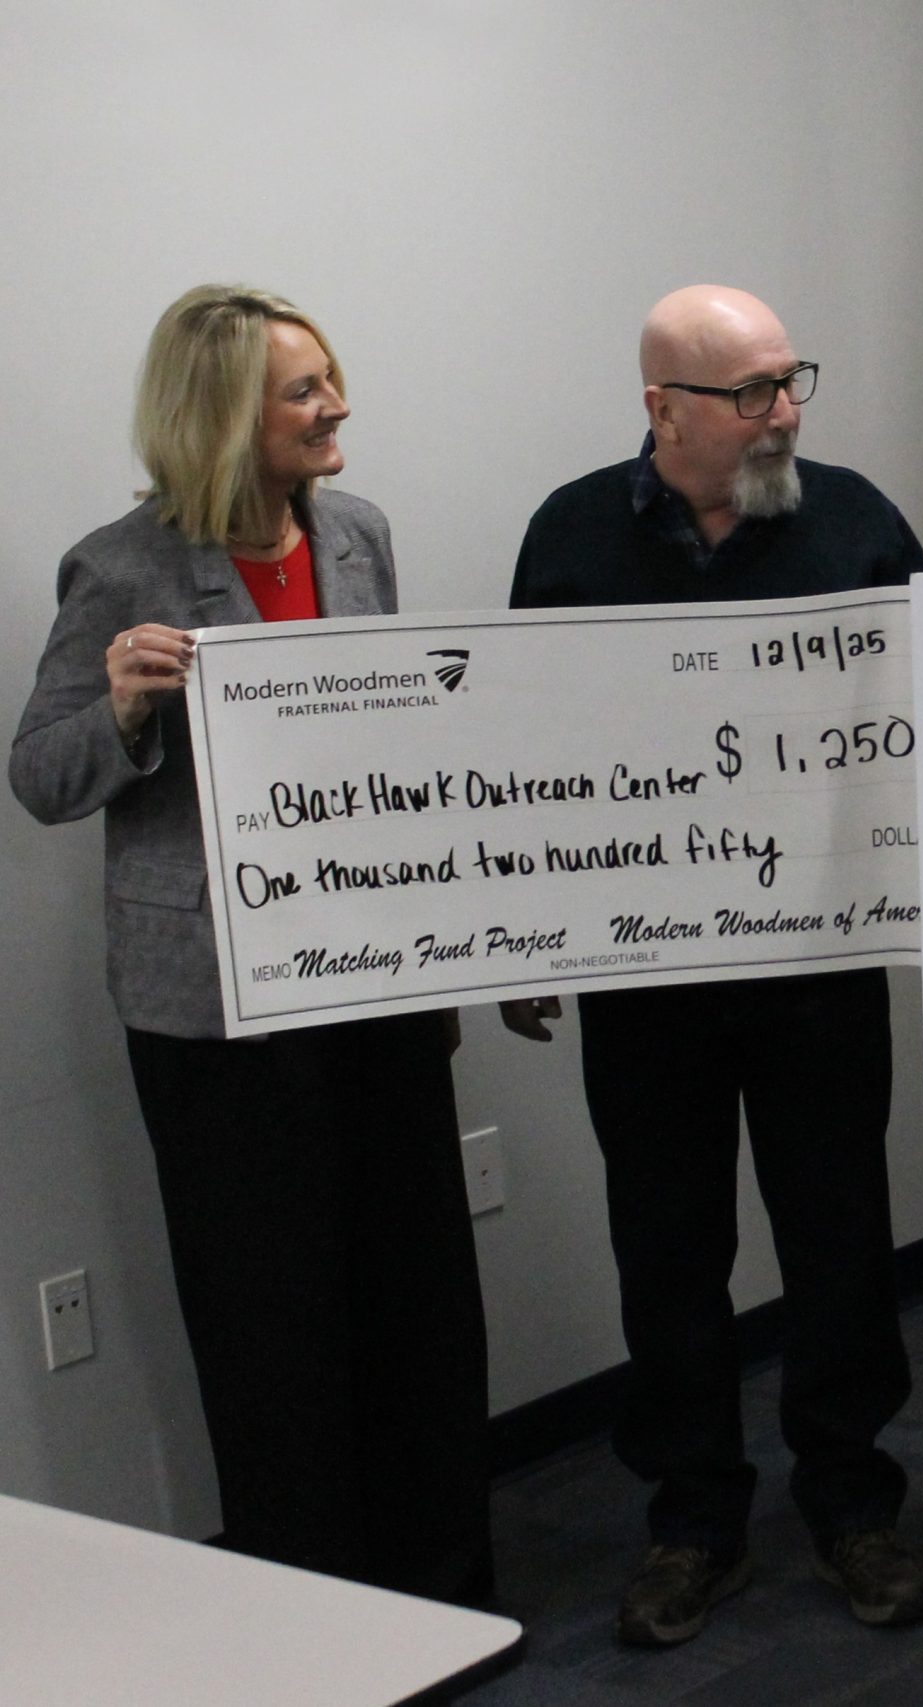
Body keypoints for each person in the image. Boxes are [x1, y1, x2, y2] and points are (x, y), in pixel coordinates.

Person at [10, 285, 491, 1601]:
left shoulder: (360, 536)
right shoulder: (119, 569)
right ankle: (313, 1608)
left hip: (379, 982)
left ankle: (446, 1587)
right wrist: (118, 706)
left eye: (333, 378)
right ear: (220, 415)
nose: (337, 407)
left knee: (419, 1297)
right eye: (304, 391)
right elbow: (43, 778)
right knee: (266, 1321)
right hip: (217, 1018)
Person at [501, 286, 923, 1647]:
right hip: (647, 979)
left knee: (839, 1235)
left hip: (815, 960)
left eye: (791, 379)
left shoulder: (854, 517)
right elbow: (524, 747)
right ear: (661, 409)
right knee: (668, 1249)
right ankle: (693, 1518)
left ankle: (854, 1503)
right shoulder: (570, 536)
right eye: (749, 392)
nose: (785, 411)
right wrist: (522, 930)